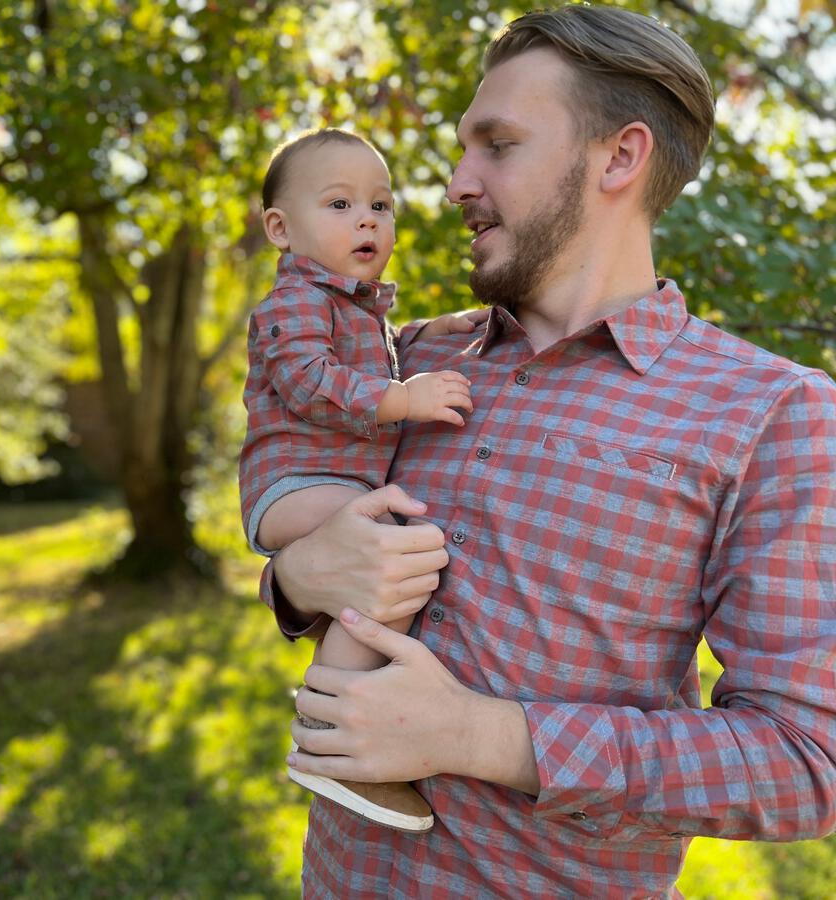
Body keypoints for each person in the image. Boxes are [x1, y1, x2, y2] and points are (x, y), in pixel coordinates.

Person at [246, 5, 836, 897]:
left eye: (497, 145)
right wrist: (297, 578)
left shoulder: (771, 412)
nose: (454, 184)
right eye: (460, 150)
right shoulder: (410, 361)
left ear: (619, 158)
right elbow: (312, 555)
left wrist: (479, 736)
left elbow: (806, 762)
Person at [239, 128, 486, 832]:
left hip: (326, 479)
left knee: (389, 560)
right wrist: (405, 398)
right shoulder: (292, 303)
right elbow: (308, 380)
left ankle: (341, 723)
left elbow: (384, 353)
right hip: (294, 479)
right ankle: (330, 734)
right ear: (281, 229)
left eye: (381, 204)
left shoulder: (356, 307)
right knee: (387, 548)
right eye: (341, 203)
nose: (368, 219)